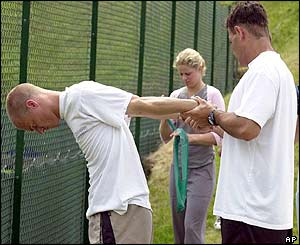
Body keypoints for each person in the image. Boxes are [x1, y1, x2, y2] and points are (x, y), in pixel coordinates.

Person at [5, 80, 201, 244]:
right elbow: (139, 105)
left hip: (118, 211)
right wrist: (196, 108)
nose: (39, 130)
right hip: (121, 209)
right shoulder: (78, 104)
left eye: (33, 125)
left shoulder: (80, 98)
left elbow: (141, 104)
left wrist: (196, 108)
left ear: (32, 104)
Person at [181, 1, 297, 244]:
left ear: (240, 32)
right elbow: (258, 132)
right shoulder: (280, 71)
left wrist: (213, 114)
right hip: (267, 212)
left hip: (251, 213)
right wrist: (213, 124)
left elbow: (247, 128)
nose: (232, 48)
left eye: (231, 39)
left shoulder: (262, 72)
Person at [159, 48, 225, 244]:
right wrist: (163, 117)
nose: (184, 78)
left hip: (202, 168)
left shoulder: (212, 94)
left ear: (201, 69)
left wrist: (190, 138)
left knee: (192, 227)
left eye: (188, 73)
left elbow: (221, 136)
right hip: (177, 170)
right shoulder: (176, 95)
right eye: (181, 74)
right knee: (179, 229)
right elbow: (166, 138)